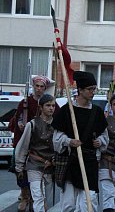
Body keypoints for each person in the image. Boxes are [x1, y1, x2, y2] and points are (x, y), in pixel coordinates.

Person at [52, 71, 108, 212]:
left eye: (94, 89)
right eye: (90, 89)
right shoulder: (67, 111)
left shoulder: (97, 112)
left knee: (88, 204)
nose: (92, 92)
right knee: (69, 205)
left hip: (89, 163)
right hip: (71, 162)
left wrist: (100, 142)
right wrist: (69, 141)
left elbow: (104, 136)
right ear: (81, 90)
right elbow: (57, 137)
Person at [10, 75, 57, 211]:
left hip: (49, 161)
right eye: (37, 86)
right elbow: (17, 119)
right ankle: (24, 196)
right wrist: (20, 124)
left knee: (42, 196)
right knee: (22, 173)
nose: (39, 89)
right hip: (30, 149)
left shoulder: (53, 111)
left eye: (42, 87)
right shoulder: (25, 102)